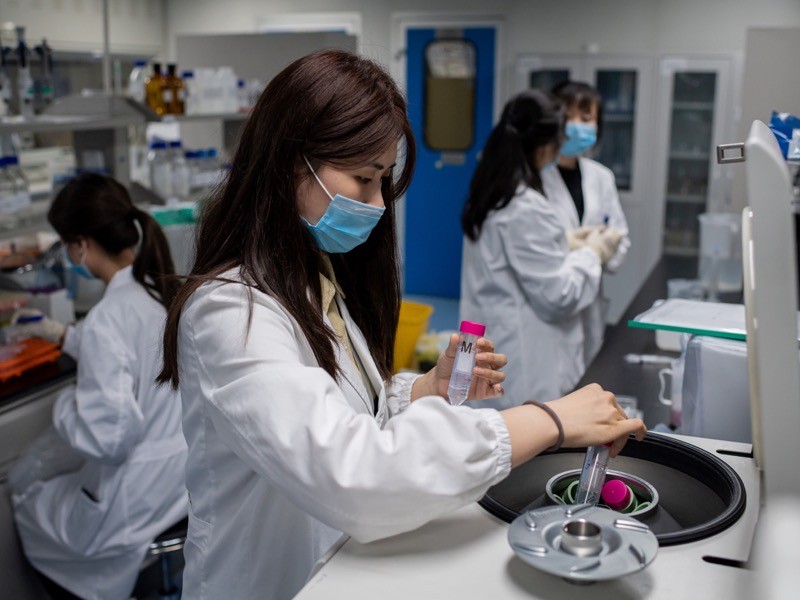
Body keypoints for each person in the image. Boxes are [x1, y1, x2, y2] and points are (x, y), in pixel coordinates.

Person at [157, 50, 646, 600]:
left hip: (339, 569)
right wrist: (545, 420)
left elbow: (341, 408)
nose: (378, 203)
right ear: (290, 162)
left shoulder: (315, 278)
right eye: (364, 178)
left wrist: (420, 390)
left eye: (384, 179)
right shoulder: (231, 313)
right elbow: (353, 473)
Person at [9, 173, 188, 600]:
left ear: (81, 245)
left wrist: (65, 405)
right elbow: (130, 351)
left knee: (29, 500)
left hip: (138, 497)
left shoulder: (109, 318)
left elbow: (107, 438)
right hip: (180, 482)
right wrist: (60, 333)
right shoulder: (156, 292)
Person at [460, 89, 623, 410]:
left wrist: (566, 243)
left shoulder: (492, 191)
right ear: (545, 147)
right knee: (528, 440)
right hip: (524, 360)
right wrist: (592, 252)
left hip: (493, 335)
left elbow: (515, 255)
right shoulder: (527, 207)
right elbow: (559, 296)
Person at [544, 80, 631, 364]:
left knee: (587, 376)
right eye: (568, 116)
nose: (576, 125)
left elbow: (621, 238)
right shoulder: (535, 177)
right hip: (549, 302)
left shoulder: (601, 177)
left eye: (586, 118)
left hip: (590, 302)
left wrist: (602, 250)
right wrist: (587, 248)